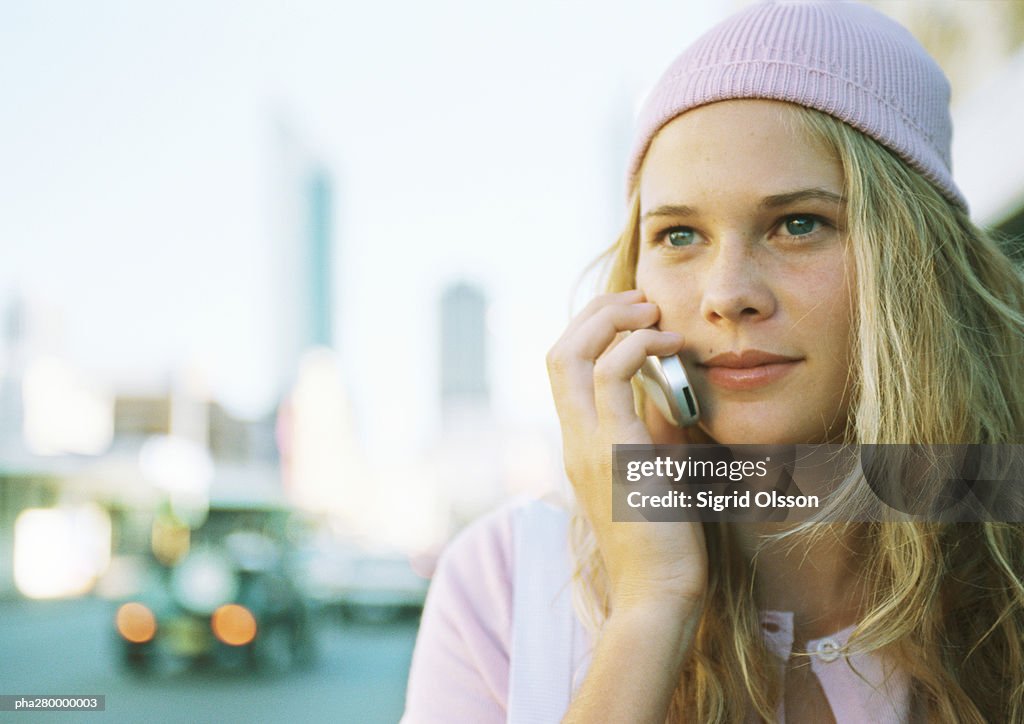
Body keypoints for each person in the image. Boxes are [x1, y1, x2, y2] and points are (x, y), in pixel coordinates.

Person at [402, 2, 1024, 722]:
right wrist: (649, 609)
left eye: (799, 224)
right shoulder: (506, 576)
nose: (728, 295)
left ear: (920, 261)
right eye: (678, 235)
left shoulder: (1002, 527)